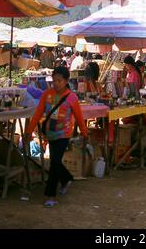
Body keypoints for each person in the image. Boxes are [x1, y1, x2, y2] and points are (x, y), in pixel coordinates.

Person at [26, 66, 88, 207]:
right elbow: (37, 114)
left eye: (59, 81)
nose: (56, 84)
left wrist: (84, 133)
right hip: (50, 134)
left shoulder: (72, 98)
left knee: (54, 163)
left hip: (64, 135)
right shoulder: (46, 94)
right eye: (54, 81)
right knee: (56, 161)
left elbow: (79, 117)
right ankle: (67, 178)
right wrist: (29, 130)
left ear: (66, 81)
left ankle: (51, 195)